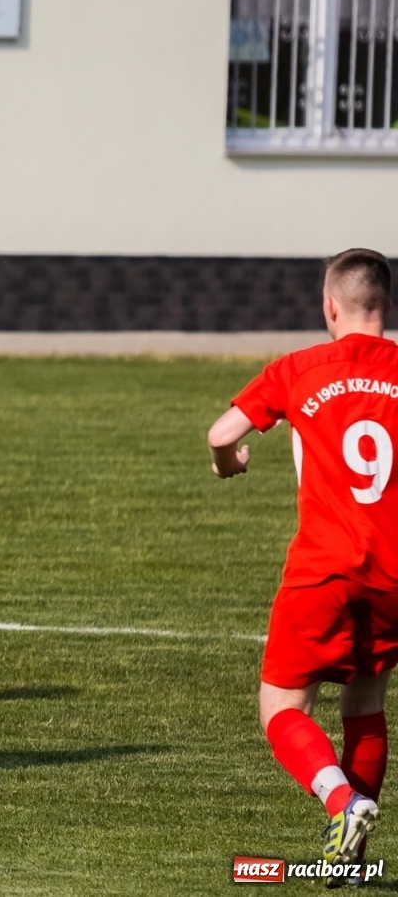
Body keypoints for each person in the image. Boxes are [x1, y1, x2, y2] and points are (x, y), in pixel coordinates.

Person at [209, 248, 398, 876]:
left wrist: (228, 463)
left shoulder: (300, 368)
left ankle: (341, 802)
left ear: (329, 306)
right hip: (394, 575)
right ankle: (354, 856)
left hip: (323, 568)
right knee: (366, 702)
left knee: (283, 709)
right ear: (386, 306)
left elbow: (220, 434)